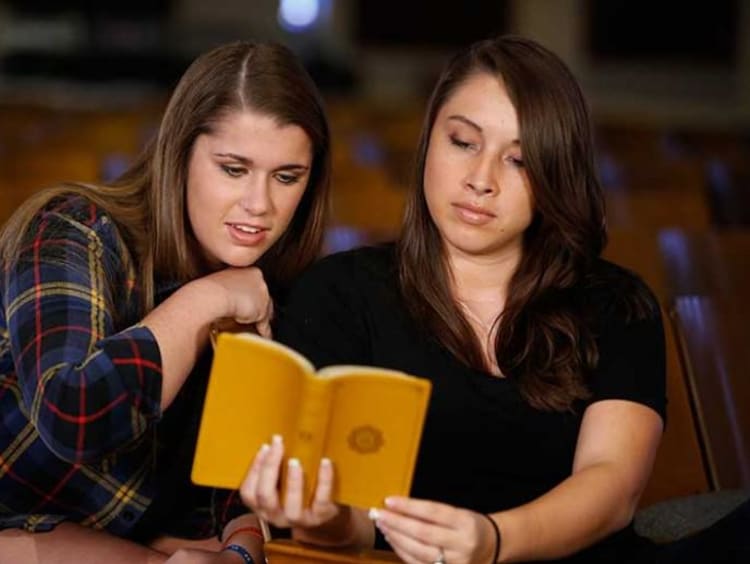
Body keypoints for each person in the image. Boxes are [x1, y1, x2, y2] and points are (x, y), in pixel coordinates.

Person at [239, 35, 750, 563]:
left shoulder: (615, 303)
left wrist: (493, 540)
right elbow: (356, 529)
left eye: (520, 160)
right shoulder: (339, 292)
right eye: (463, 142)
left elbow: (612, 487)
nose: (481, 180)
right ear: (429, 139)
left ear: (555, 175)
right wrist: (319, 517)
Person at [0, 40, 330, 563]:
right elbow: (76, 414)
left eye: (286, 177)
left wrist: (240, 551)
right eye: (233, 168)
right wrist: (209, 297)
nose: (259, 204)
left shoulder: (276, 296)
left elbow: (231, 498)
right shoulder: (73, 230)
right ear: (180, 157)